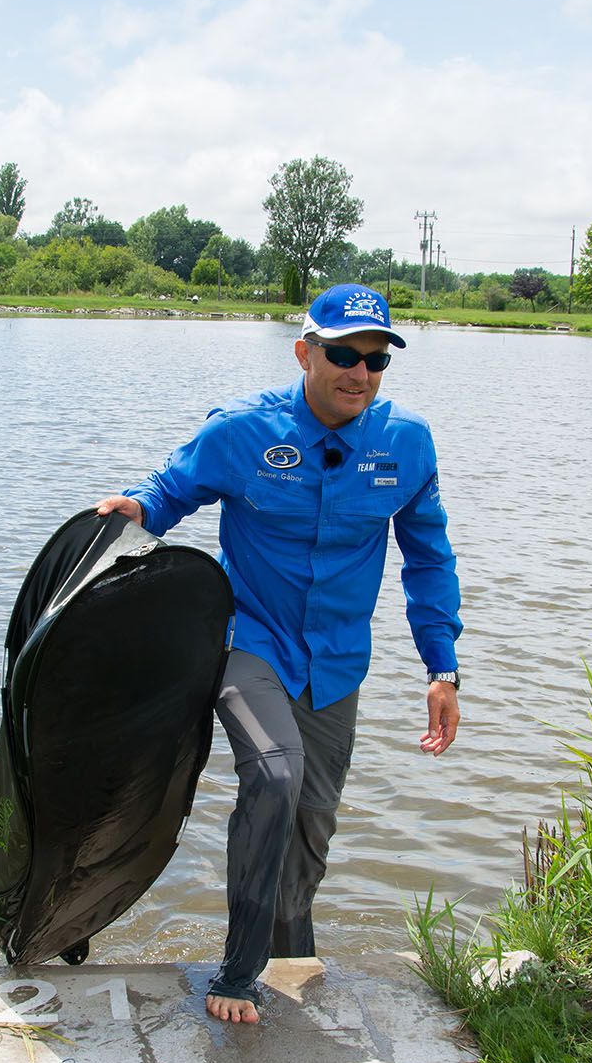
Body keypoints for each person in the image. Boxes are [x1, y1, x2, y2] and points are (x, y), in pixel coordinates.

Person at [94, 282, 463, 1024]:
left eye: (375, 360)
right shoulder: (242, 432)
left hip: (336, 664)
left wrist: (441, 666)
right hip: (248, 642)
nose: (359, 373)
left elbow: (428, 558)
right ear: (305, 352)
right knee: (274, 772)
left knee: (311, 827)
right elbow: (169, 490)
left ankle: (293, 952)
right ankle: (236, 973)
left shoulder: (406, 443)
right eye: (342, 354)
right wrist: (135, 508)